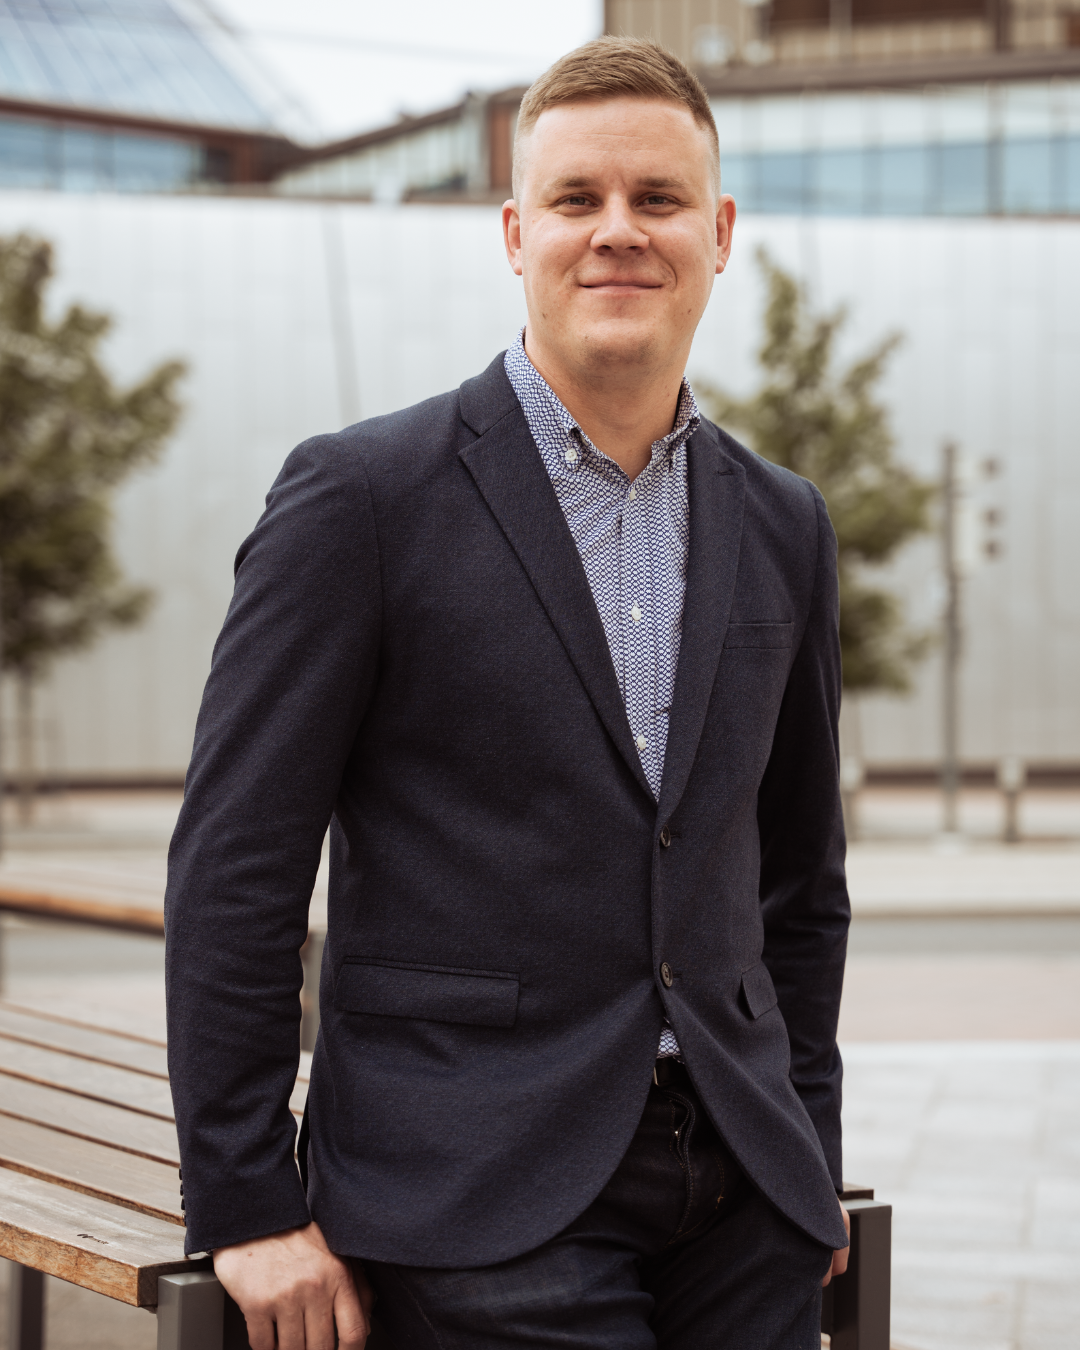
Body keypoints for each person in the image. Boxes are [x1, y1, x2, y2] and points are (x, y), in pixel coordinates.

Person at [165, 35, 851, 1350]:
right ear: (513, 229)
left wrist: (807, 1146)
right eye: (576, 200)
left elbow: (798, 884)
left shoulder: (784, 523)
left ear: (717, 232)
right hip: (471, 1194)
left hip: (744, 1194)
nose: (617, 234)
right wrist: (246, 1199)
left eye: (657, 201)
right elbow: (238, 870)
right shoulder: (359, 500)